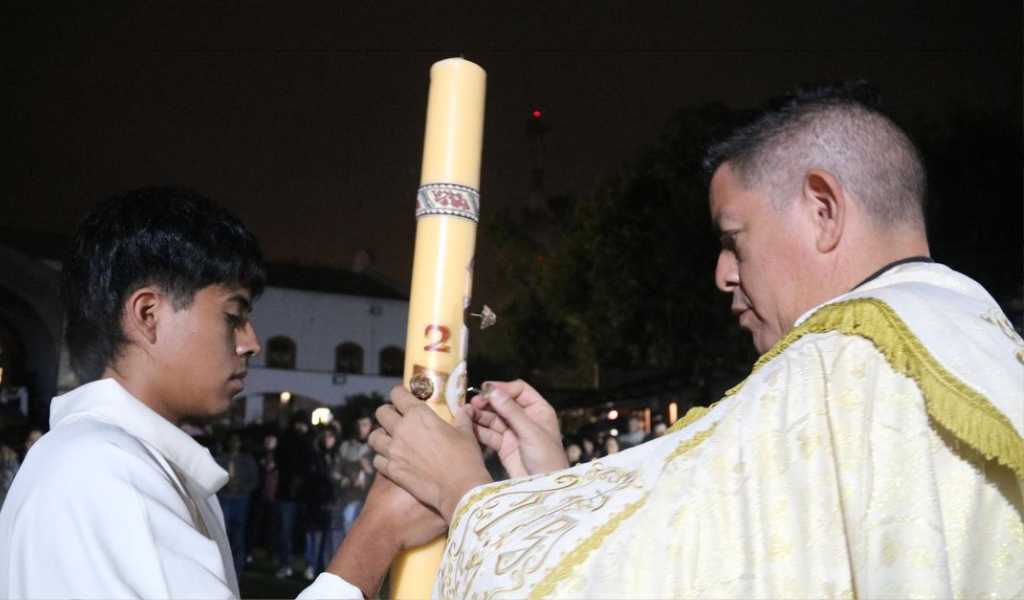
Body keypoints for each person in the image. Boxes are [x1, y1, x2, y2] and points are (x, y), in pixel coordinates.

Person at [355, 85, 1022, 598]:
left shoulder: (841, 365)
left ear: (823, 208)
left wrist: (468, 496)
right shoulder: (981, 353)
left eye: (734, 240)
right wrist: (553, 485)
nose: (723, 275)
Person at [0, 187, 438, 599]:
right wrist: (378, 532)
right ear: (148, 314)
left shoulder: (115, 461)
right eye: (233, 316)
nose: (251, 342)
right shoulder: (105, 471)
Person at [214, 433, 259, 577]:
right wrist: (225, 486)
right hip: (225, 498)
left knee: (238, 535)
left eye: (237, 441)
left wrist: (241, 488)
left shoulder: (247, 460)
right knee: (223, 534)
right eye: (232, 441)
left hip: (240, 499)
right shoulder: (220, 459)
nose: (234, 444)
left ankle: (237, 569)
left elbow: (254, 481)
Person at [336, 414, 374, 535]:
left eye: (365, 425)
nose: (361, 428)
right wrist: (346, 480)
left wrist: (368, 471)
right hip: (350, 498)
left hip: (371, 501)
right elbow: (335, 471)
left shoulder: (377, 447)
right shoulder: (346, 447)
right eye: (358, 425)